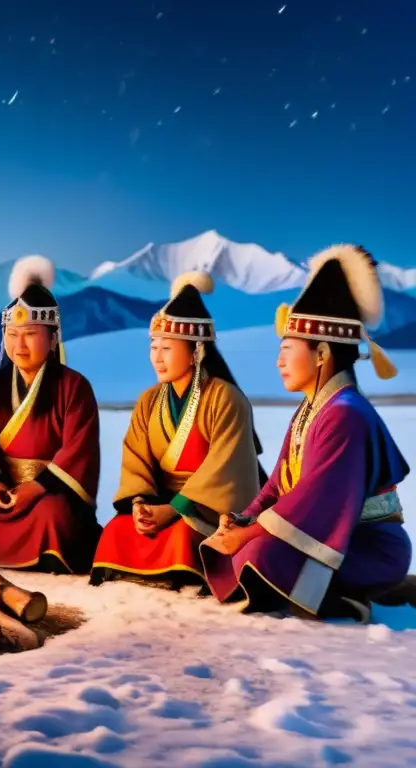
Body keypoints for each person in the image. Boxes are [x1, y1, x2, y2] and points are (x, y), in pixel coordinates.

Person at [201, 244, 411, 623]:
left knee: (260, 554)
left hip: (367, 546)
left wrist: (247, 537)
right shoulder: (310, 410)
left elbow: (315, 501)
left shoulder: (345, 414)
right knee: (242, 547)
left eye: (287, 348)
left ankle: (344, 602)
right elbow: (279, 485)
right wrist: (244, 520)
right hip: (334, 538)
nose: (278, 361)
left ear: (321, 354)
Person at [90, 272, 265, 590]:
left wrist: (174, 509)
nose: (156, 357)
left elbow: (225, 469)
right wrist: (141, 503)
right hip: (162, 503)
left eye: (167, 348)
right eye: (153, 347)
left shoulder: (226, 398)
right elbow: (136, 460)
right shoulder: (148, 400)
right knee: (119, 529)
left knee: (183, 535)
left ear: (196, 351)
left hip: (206, 511)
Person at [0, 256, 102, 574]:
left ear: (52, 337)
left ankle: (46, 556)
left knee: (54, 516)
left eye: (30, 333)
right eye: (12, 334)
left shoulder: (73, 387)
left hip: (49, 494)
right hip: (4, 494)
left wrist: (36, 488)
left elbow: (77, 451)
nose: (20, 344)